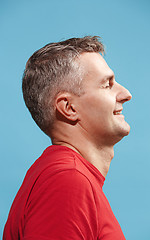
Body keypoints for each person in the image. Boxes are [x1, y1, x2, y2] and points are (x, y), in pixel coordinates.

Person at [3, 36, 132, 240]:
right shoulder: (68, 181)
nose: (126, 94)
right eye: (107, 85)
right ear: (69, 108)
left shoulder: (65, 175)